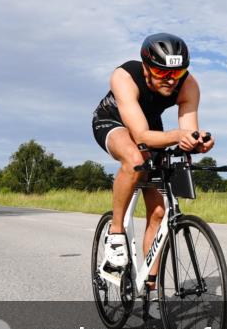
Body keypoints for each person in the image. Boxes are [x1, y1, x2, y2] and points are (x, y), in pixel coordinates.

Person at [91, 33, 215, 288]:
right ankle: (116, 234)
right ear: (146, 68)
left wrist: (197, 141)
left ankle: (149, 286)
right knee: (134, 157)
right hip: (113, 120)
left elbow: (187, 131)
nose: (171, 81)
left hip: (151, 125)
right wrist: (177, 136)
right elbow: (140, 136)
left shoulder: (189, 84)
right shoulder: (124, 76)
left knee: (159, 212)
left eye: (177, 74)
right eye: (162, 74)